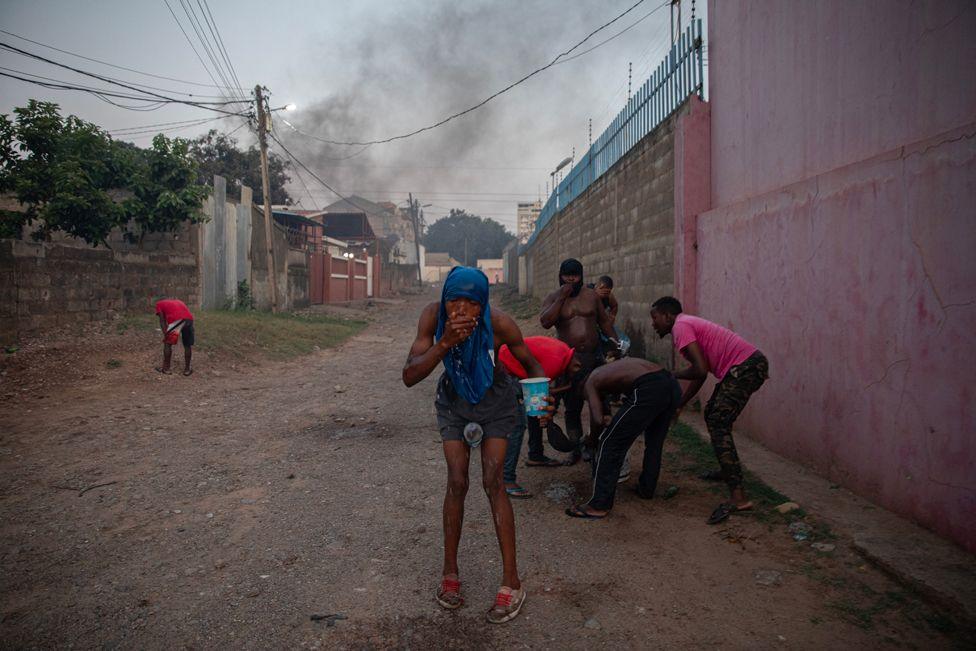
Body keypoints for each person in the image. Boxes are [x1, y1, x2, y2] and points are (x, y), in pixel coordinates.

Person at [402, 266, 547, 624]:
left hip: (495, 401)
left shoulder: (501, 324)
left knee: (493, 481)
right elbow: (409, 375)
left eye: (472, 302)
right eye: (455, 300)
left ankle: (511, 581)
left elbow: (532, 364)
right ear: (444, 300)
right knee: (456, 481)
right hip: (454, 400)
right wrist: (445, 342)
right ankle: (450, 574)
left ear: (483, 304)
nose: (462, 310)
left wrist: (540, 406)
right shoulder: (433, 318)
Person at [650, 296, 769, 525]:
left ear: (667, 316)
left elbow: (700, 370)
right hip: (748, 365)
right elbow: (700, 371)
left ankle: (739, 497)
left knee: (717, 421)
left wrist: (671, 374)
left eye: (655, 318)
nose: (653, 324)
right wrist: (681, 404)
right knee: (714, 414)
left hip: (746, 367)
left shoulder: (680, 327)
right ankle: (728, 470)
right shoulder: (685, 325)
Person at [565, 358, 681, 519]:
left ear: (581, 386)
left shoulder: (590, 382)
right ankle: (646, 488)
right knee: (654, 441)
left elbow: (597, 420)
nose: (587, 399)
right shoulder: (608, 371)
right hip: (670, 383)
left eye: (584, 397)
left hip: (649, 388)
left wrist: (591, 440)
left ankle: (598, 505)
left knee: (609, 442)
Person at [539, 259, 618, 464]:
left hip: (594, 357)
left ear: (581, 275)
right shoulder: (553, 297)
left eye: (575, 275)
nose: (571, 279)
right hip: (568, 360)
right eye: (567, 275)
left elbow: (604, 322)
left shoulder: (591, 296)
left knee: (599, 403)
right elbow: (546, 322)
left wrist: (616, 344)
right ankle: (575, 448)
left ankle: (595, 444)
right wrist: (561, 298)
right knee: (572, 406)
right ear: (560, 275)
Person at [497, 336, 583, 498]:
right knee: (517, 424)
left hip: (508, 361)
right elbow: (537, 392)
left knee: (533, 410)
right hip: (504, 367)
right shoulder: (556, 363)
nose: (570, 375)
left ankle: (535, 455)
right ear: (576, 364)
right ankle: (506, 480)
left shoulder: (563, 351)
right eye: (574, 372)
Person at [154, 298, 194, 376]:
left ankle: (166, 369)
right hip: (189, 319)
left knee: (167, 344)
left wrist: (166, 335)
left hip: (177, 320)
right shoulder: (178, 301)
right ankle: (187, 370)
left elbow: (162, 321)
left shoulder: (159, 304)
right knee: (187, 345)